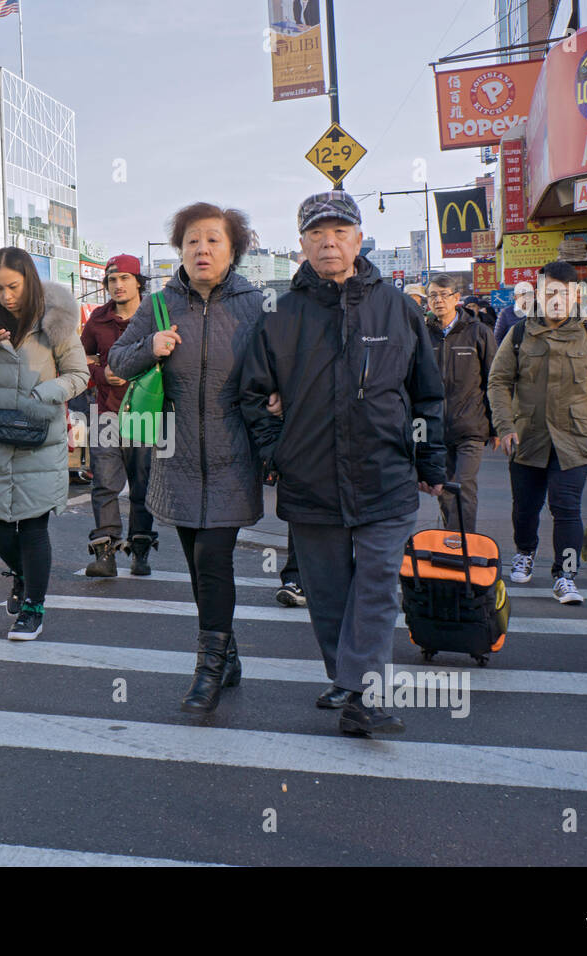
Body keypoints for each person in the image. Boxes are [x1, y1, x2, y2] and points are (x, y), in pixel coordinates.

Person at [241, 190, 447, 736]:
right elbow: (251, 394)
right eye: (316, 233)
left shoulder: (398, 307)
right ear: (301, 243)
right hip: (310, 477)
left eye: (339, 232)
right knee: (329, 593)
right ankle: (347, 679)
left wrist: (431, 461)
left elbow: (427, 392)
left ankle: (364, 695)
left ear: (358, 238)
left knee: (378, 584)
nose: (328, 242)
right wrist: (275, 450)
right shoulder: (279, 313)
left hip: (387, 473)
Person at [109, 202, 265, 714]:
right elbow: (116, 363)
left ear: (232, 249)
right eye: (193, 240)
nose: (202, 249)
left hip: (232, 457)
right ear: (180, 249)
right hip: (174, 458)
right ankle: (229, 653)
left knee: (214, 559)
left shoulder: (253, 306)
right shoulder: (159, 303)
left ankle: (207, 670)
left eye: (213, 240)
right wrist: (150, 347)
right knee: (199, 564)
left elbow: (275, 373)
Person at [0, 246, 89, 640]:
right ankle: (21, 575)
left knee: (32, 528)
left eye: (13, 286)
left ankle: (33, 606)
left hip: (39, 438)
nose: (6, 295)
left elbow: (79, 375)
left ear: (29, 281)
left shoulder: (56, 322)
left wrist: (42, 395)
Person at [488, 259, 587, 605]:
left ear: (576, 294)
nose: (555, 298)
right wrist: (504, 426)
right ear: (539, 294)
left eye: (562, 291)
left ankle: (566, 575)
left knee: (567, 509)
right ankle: (525, 551)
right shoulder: (519, 333)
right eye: (549, 292)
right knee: (525, 508)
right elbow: (498, 381)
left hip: (575, 438)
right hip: (527, 435)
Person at [80, 254, 156, 577]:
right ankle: (106, 554)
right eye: (112, 279)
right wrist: (101, 374)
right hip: (106, 411)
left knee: (144, 485)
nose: (118, 285)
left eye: (125, 278)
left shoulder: (155, 315)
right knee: (105, 485)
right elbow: (79, 358)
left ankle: (140, 551)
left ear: (139, 282)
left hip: (148, 413)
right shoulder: (97, 318)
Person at [425, 273, 497, 533]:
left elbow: (494, 379)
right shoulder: (423, 334)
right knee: (442, 487)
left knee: (464, 486)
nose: (438, 300)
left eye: (444, 295)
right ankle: (451, 540)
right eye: (433, 295)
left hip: (471, 426)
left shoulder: (478, 332)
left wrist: (497, 426)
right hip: (435, 429)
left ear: (457, 299)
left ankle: (461, 546)